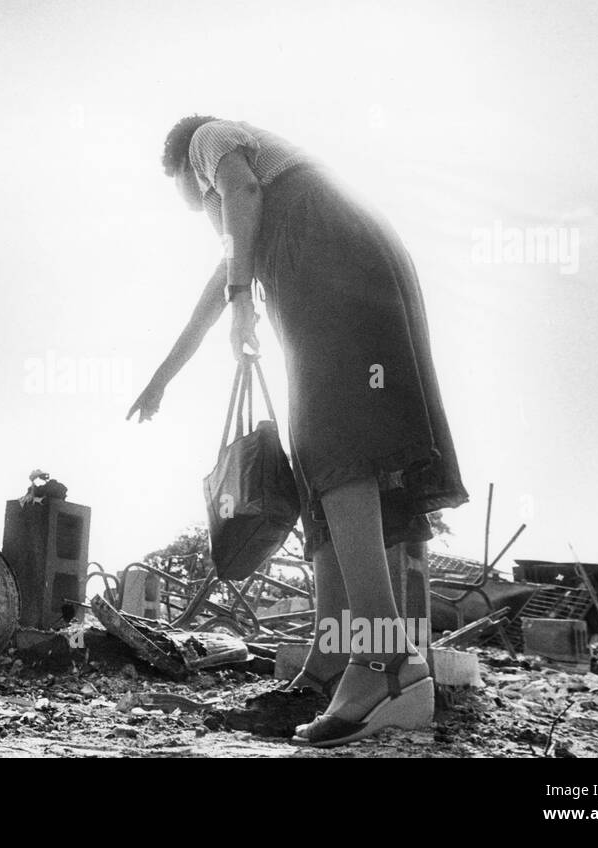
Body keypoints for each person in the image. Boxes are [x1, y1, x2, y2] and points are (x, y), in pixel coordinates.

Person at [127, 116, 468, 747]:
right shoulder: (265, 205)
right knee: (331, 469)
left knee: (334, 448)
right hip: (347, 259)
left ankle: (386, 661)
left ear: (179, 166)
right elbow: (224, 274)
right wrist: (163, 377)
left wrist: (239, 300)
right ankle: (335, 659)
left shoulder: (207, 141)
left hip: (328, 260)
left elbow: (242, 198)